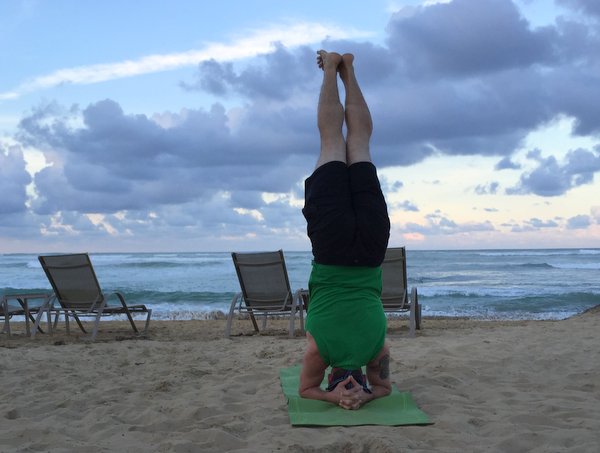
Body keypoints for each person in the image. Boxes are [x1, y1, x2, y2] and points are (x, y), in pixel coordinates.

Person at [299, 50, 392, 410]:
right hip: (333, 246)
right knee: (331, 142)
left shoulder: (377, 349)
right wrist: (332, 394)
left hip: (370, 249)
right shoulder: (318, 351)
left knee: (359, 144)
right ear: (331, 371)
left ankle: (348, 69)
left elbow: (383, 388)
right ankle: (332, 71)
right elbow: (306, 390)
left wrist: (363, 395)